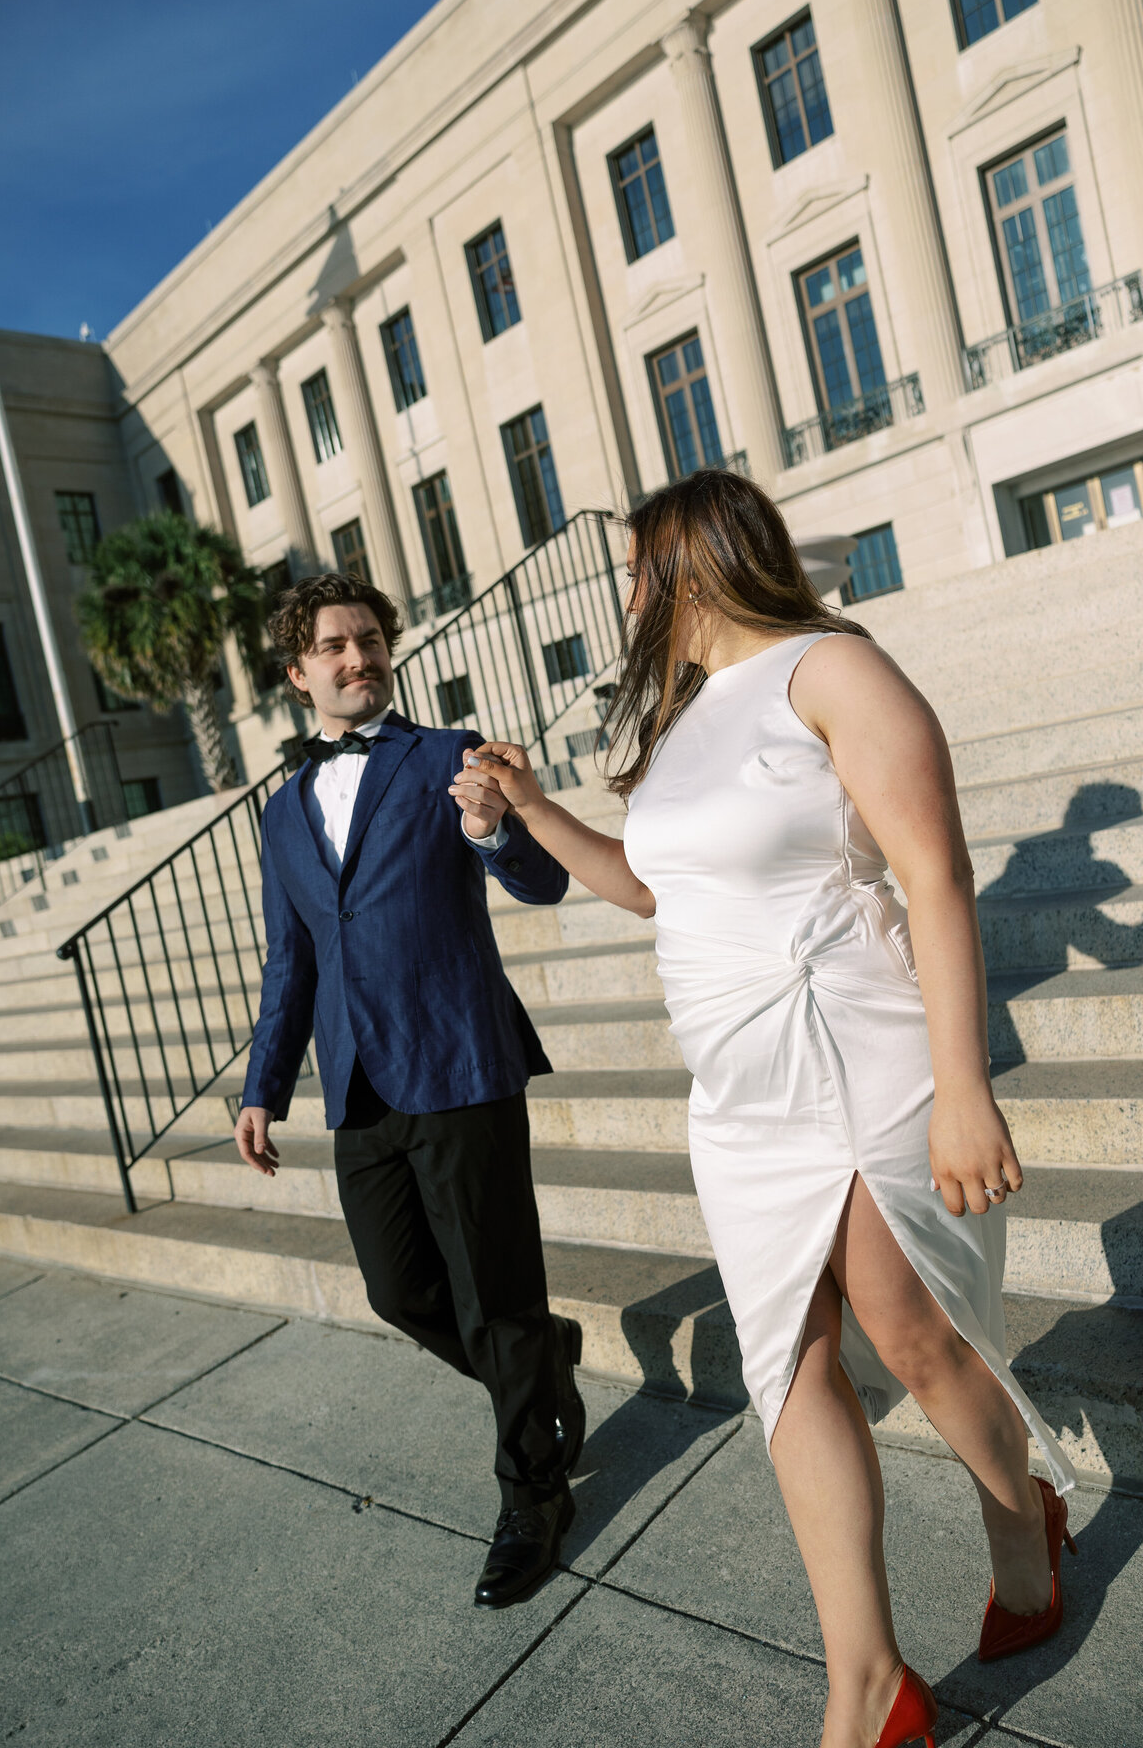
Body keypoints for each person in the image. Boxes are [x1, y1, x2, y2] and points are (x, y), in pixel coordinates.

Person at [450, 471, 1077, 1748]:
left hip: (854, 1055)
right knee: (783, 1366)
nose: (626, 595)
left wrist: (965, 1086)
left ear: (695, 559)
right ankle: (868, 1680)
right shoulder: (680, 724)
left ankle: (1020, 1510)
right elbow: (647, 890)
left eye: (637, 569)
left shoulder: (834, 670)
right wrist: (527, 808)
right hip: (737, 1094)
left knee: (911, 1340)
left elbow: (937, 873)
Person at [234, 571, 585, 1609]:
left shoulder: (449, 756)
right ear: (299, 673)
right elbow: (288, 961)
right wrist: (265, 1085)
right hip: (358, 1084)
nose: (360, 656)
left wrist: (492, 825)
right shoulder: (283, 812)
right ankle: (541, 1362)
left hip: (460, 1061)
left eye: (372, 638)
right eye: (336, 645)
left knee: (496, 1291)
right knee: (401, 1291)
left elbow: (542, 879)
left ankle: (534, 1498)